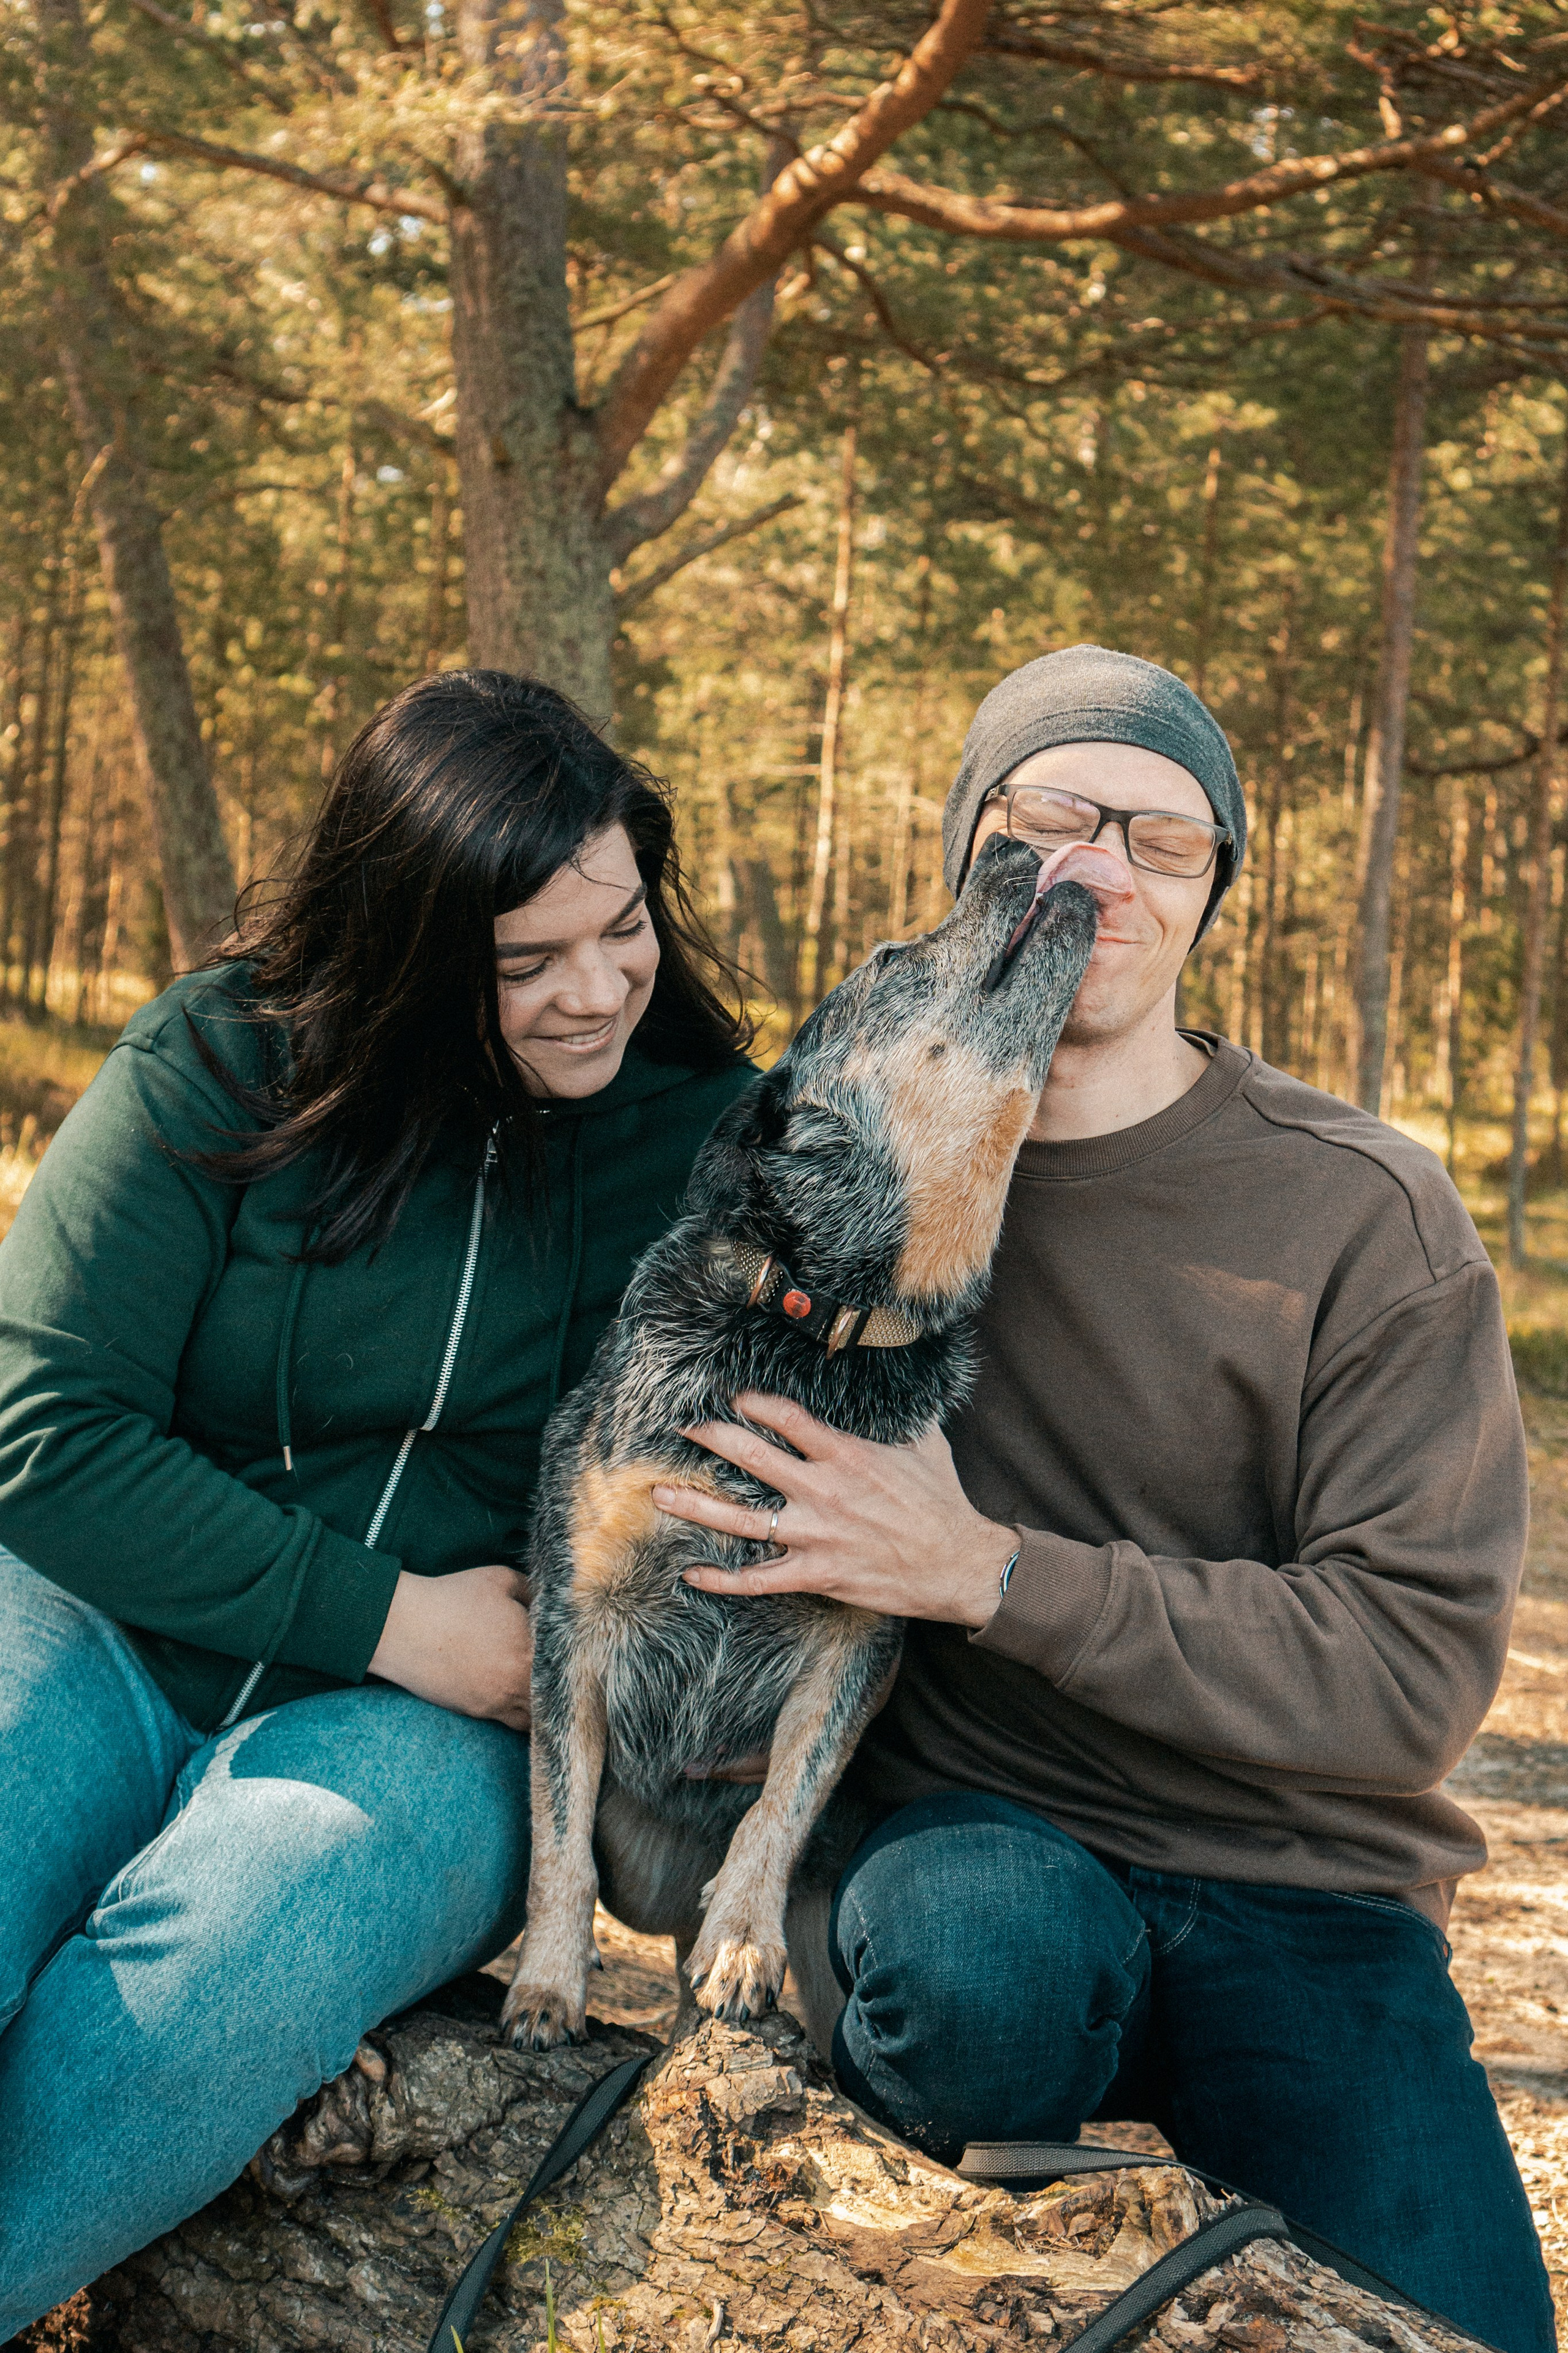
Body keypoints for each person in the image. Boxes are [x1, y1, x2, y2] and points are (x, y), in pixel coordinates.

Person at [657, 646, 1553, 2351]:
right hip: (990, 1840)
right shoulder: (850, 1162)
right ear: (967, 853)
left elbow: (1407, 1675)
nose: (1099, 870)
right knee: (972, 1966)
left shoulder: (1368, 1216)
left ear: (1215, 888)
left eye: (1161, 838)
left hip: (1303, 1881)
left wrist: (990, 1571)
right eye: (1050, 820)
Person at [0, 670, 756, 2335]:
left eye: (621, 928)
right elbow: (39, 1432)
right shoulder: (222, 1057)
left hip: (431, 1735)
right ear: (410, 955)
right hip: (104, 1620)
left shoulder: (710, 1141)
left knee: (225, 1968)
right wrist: (393, 1615)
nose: (594, 993)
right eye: (524, 963)